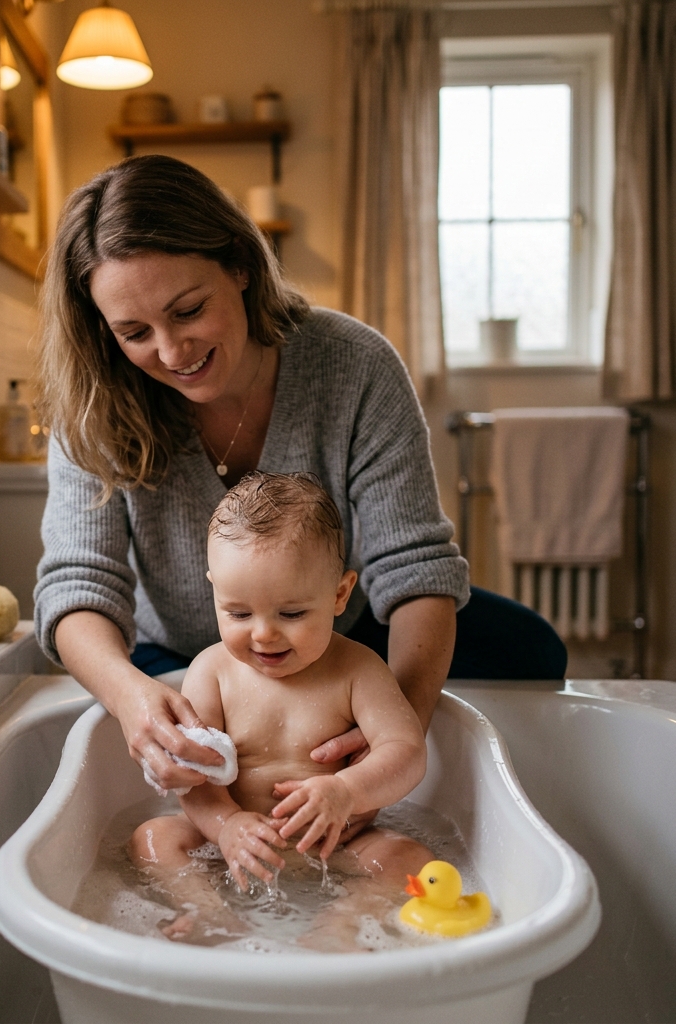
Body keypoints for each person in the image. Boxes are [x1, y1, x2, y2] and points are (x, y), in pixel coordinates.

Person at [33, 154, 566, 822]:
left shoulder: (355, 364)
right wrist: (132, 699)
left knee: (533, 649)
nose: (171, 353)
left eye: (189, 310)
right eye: (135, 333)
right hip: (173, 646)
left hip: (340, 634)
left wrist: (387, 745)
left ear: (241, 268)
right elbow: (77, 584)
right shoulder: (95, 401)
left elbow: (413, 566)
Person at [129, 474, 433, 945]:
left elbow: (407, 750)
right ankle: (209, 911)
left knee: (411, 859)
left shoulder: (358, 670)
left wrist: (346, 792)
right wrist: (226, 825)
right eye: (238, 613)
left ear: (339, 593)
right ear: (213, 591)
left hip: (341, 843)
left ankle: (343, 922)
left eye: (291, 614)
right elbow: (194, 774)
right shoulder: (211, 672)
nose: (264, 634)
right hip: (230, 844)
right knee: (154, 839)